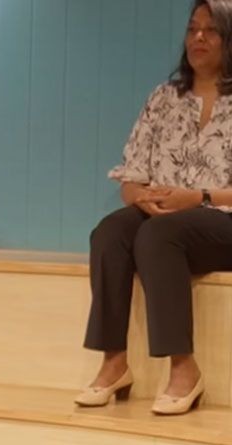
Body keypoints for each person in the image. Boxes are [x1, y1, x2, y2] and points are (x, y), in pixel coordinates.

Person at [76, 0, 232, 416]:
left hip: (220, 220)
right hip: (167, 215)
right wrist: (138, 196)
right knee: (110, 231)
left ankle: (184, 368)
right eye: (192, 29)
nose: (199, 37)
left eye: (211, 30)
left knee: (160, 234)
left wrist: (197, 198)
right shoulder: (163, 98)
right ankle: (114, 362)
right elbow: (131, 175)